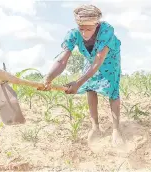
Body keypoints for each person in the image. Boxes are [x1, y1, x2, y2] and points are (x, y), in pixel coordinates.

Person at [38, 4, 124, 147]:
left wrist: (78, 83)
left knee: (113, 91)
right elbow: (62, 59)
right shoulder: (73, 35)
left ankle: (116, 129)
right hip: (90, 59)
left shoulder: (106, 31)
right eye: (81, 28)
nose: (84, 33)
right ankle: (95, 126)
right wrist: (48, 78)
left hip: (109, 59)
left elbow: (98, 62)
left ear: (97, 25)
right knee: (90, 88)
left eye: (89, 29)